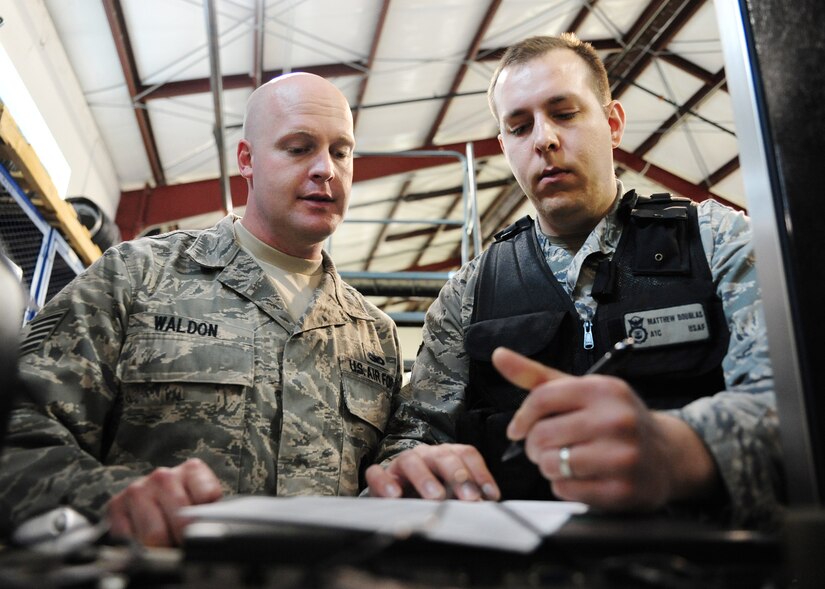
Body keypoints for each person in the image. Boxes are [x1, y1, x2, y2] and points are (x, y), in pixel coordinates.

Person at [367, 34, 783, 527]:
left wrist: (682, 450)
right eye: (520, 126)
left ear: (612, 124)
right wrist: (411, 468)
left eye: (564, 114)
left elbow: (790, 404)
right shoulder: (467, 294)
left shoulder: (718, 242)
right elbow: (416, 436)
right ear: (505, 147)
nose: (543, 139)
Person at [0, 72, 402, 547]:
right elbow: (18, 432)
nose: (326, 170)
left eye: (341, 151)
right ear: (247, 161)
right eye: (299, 148)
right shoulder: (137, 276)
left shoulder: (373, 335)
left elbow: (393, 477)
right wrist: (107, 497)